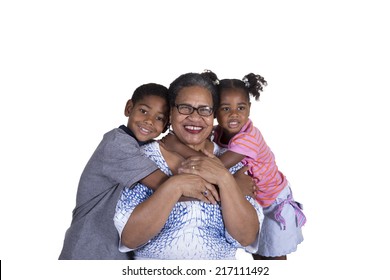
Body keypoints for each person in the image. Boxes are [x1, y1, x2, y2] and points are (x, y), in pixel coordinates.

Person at [114, 72, 264, 259]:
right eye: (185, 108)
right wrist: (175, 185)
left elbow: (246, 237)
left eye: (204, 110)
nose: (195, 117)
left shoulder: (233, 162)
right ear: (170, 112)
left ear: (213, 115)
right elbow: (130, 238)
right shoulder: (144, 158)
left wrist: (225, 179)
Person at [162, 71, 306, 260]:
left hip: (273, 200)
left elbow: (216, 168)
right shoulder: (217, 131)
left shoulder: (249, 138)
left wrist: (177, 146)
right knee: (257, 247)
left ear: (249, 108)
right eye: (225, 109)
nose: (234, 115)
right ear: (215, 111)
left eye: (241, 108)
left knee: (272, 255)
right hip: (254, 199)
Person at [59, 83, 175, 260]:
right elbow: (167, 186)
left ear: (166, 125)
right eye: (144, 111)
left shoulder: (148, 150)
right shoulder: (117, 144)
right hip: (88, 251)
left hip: (117, 255)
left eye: (159, 118)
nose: (149, 121)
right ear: (129, 108)